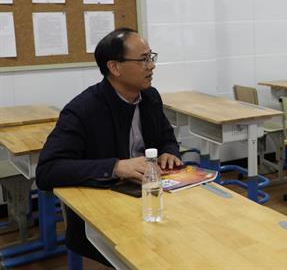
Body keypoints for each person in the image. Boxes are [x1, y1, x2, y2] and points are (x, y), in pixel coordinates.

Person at [36, 28, 182, 264]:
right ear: (114, 67)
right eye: (143, 60)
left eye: (151, 57)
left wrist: (169, 152)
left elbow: (166, 138)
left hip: (148, 201)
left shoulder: (150, 97)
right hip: (104, 213)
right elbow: (47, 171)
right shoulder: (83, 109)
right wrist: (115, 167)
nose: (151, 66)